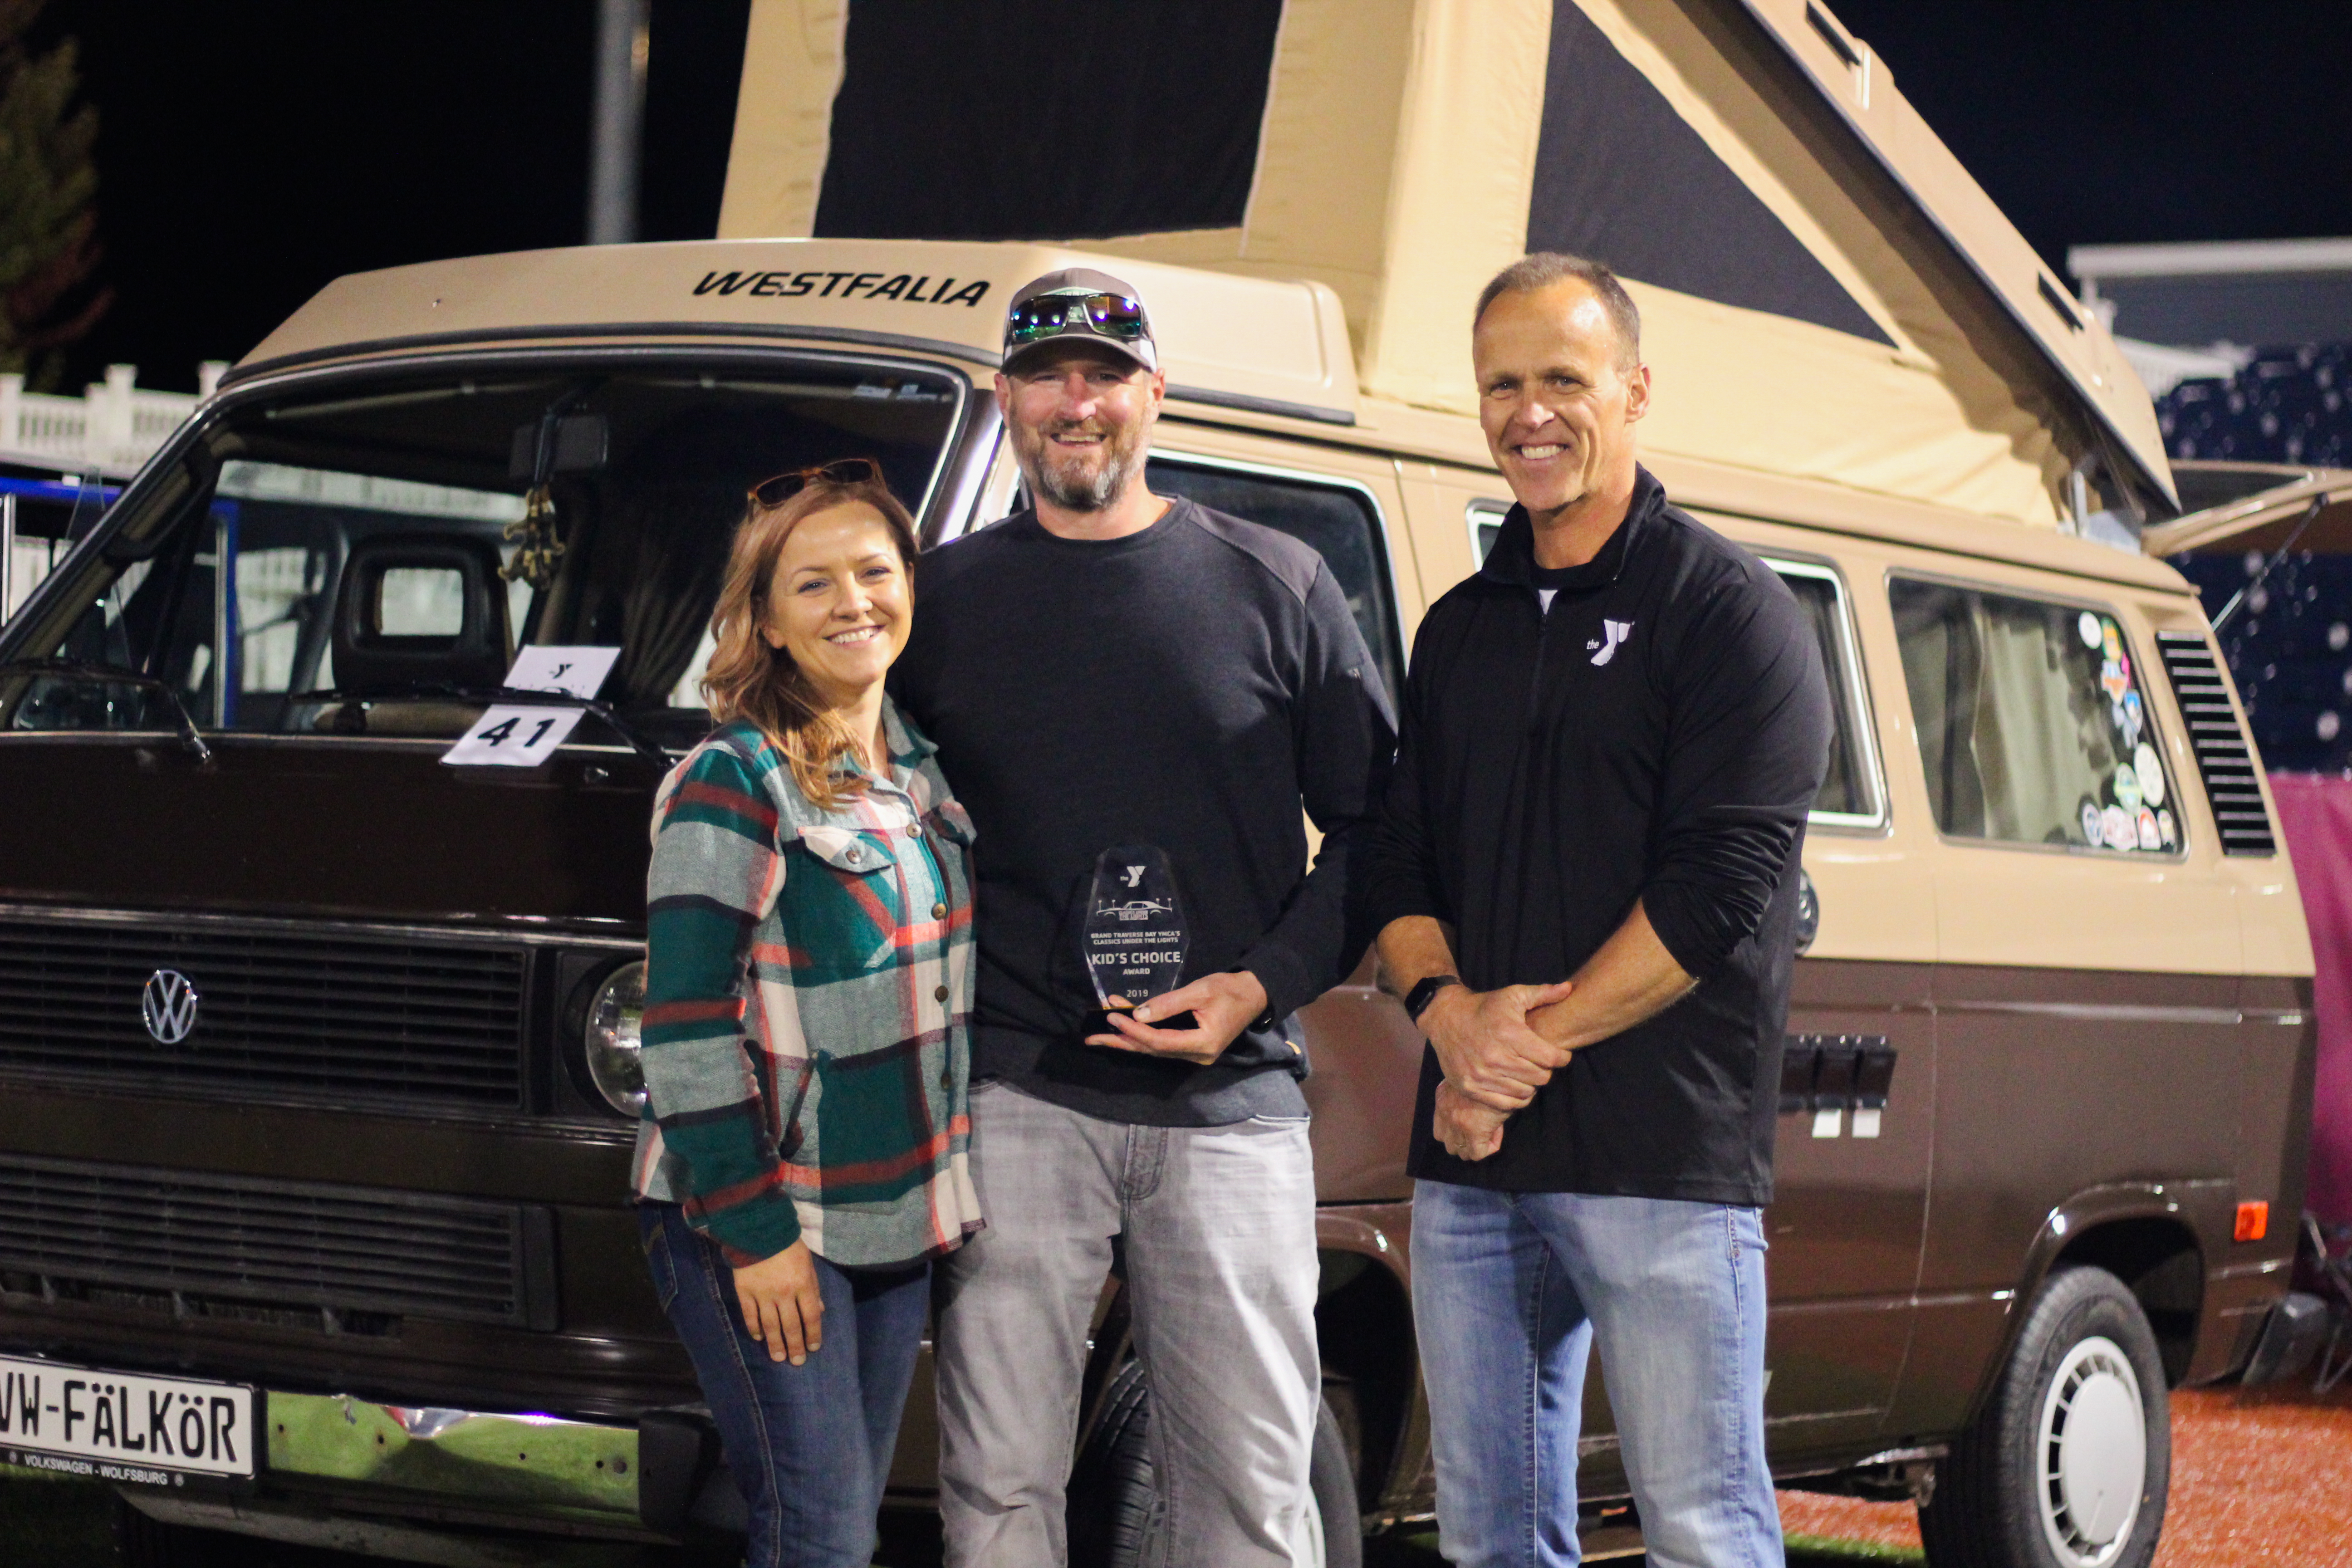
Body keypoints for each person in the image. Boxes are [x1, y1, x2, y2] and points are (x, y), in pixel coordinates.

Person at [891, 268, 1395, 1568]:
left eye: (1106, 376)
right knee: (998, 1491)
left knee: (1248, 1493)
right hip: (1014, 1097)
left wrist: (1259, 986)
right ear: (1007, 400)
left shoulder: (1277, 586)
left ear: (1154, 395)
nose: (1079, 402)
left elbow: (1378, 833)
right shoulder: (932, 606)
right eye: (1050, 375)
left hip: (1230, 1108)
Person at [1367, 253, 1831, 1568]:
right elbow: (1399, 862)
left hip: (1660, 1166)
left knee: (1702, 1531)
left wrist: (1506, 1055)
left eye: (1563, 380)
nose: (1531, 413)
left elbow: (1723, 890)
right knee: (1489, 1538)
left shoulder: (1731, 613)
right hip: (1472, 1169)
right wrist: (1449, 1021)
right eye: (1502, 385)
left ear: (1633, 390)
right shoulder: (1459, 629)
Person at [632, 462, 982, 1568]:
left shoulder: (923, 776)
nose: (853, 605)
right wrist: (759, 1235)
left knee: (840, 1529)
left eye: (874, 573)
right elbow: (683, 1028)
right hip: (771, 1220)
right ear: (769, 623)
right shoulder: (733, 780)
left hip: (895, 1215)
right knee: (817, 1534)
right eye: (814, 585)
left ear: (910, 589)